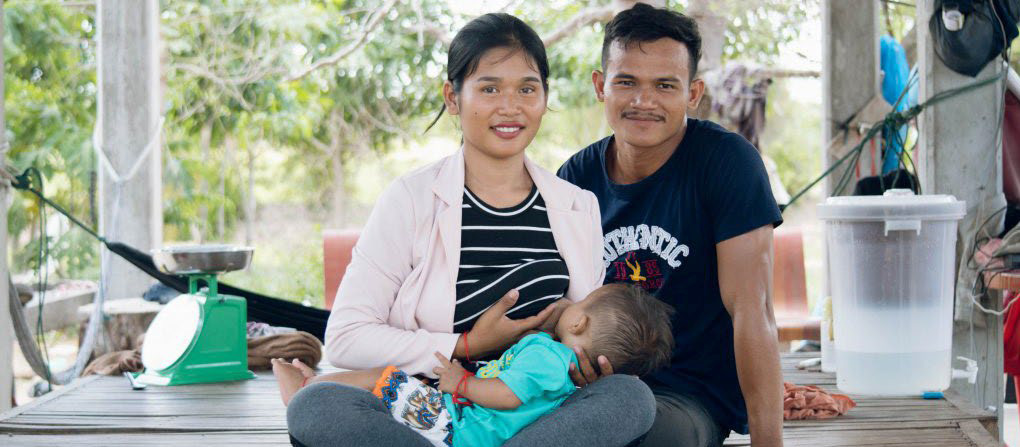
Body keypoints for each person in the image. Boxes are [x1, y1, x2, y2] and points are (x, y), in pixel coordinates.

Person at [284, 13, 657, 447]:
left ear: (544, 97)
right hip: (428, 413)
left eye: (527, 88)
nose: (510, 106)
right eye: (490, 87)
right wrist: (465, 344)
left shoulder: (577, 206)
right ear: (453, 97)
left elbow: (583, 326)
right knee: (315, 405)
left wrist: (587, 362)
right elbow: (347, 339)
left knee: (630, 396)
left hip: (531, 418)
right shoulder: (410, 199)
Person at [554, 4, 785, 447]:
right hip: (582, 390)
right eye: (627, 82)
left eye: (664, 85)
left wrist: (769, 443)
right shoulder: (576, 178)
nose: (644, 101)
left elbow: (753, 313)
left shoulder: (726, 163)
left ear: (693, 93)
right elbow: (560, 303)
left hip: (685, 400)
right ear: (601, 86)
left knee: (638, 429)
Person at [273, 283, 674, 447]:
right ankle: (312, 396)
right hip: (467, 421)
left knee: (382, 380)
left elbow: (506, 394)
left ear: (579, 321)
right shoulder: (551, 358)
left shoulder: (546, 353)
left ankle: (307, 390)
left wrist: (460, 381)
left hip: (453, 421)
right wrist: (467, 344)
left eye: (581, 302)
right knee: (337, 406)